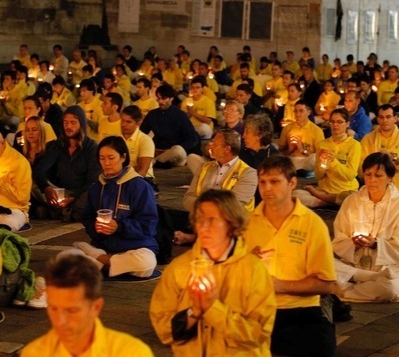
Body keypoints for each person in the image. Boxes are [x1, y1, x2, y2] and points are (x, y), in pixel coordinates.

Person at [150, 189, 276, 355]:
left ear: (231, 223)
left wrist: (212, 308)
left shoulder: (253, 270)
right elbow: (164, 330)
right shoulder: (179, 268)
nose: (204, 227)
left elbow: (257, 334)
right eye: (200, 220)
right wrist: (193, 312)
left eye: (212, 220)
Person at [245, 156, 337, 357]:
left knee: (319, 345)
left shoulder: (312, 225)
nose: (267, 188)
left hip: (300, 311)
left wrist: (280, 285)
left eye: (275, 182)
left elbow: (327, 284)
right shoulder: (248, 224)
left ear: (292, 183)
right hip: (257, 311)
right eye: (263, 182)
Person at [20, 254, 154, 356]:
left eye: (72, 310)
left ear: (96, 307)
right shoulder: (34, 352)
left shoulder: (131, 352)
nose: (60, 321)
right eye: (53, 308)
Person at [332, 152, 399, 302]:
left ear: (390, 178)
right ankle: (365, 279)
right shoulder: (352, 201)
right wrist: (353, 243)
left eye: (378, 175)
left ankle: (343, 290)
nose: (371, 180)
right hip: (352, 265)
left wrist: (376, 244)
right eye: (368, 174)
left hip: (388, 270)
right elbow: (338, 241)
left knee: (391, 289)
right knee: (319, 266)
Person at [73, 136, 158, 277]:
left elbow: (148, 225)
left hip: (135, 247)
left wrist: (119, 227)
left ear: (123, 157)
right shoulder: (97, 187)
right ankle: (111, 263)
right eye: (102, 158)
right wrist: (96, 228)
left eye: (111, 158)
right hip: (103, 246)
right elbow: (87, 217)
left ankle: (99, 259)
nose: (106, 163)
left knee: (146, 264)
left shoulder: (140, 186)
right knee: (66, 259)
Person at [33, 105, 100, 221]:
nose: (68, 126)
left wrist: (73, 196)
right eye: (66, 122)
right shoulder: (59, 145)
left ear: (82, 125)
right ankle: (66, 212)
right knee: (32, 186)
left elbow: (93, 182)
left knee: (91, 195)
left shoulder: (91, 147)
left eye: (73, 123)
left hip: (81, 193)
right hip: (62, 192)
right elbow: (40, 169)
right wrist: (46, 187)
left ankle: (60, 211)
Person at [296, 108, 362, 207]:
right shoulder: (323, 144)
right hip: (325, 189)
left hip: (345, 191)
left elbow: (350, 175)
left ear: (347, 124)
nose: (335, 125)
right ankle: (326, 201)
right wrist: (324, 165)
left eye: (339, 122)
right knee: (296, 195)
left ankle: (322, 200)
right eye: (332, 122)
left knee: (349, 198)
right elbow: (318, 176)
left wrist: (333, 162)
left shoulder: (354, 145)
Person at [140, 84, 199, 167]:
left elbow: (193, 139)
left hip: (174, 153)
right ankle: (157, 162)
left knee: (177, 150)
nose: (160, 102)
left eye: (163, 99)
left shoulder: (180, 115)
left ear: (171, 98)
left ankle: (154, 163)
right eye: (158, 99)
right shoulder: (152, 114)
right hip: (157, 151)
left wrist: (174, 149)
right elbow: (141, 134)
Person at [360, 104, 399, 174]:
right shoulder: (368, 139)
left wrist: (392, 157)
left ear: (395, 119)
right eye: (381, 117)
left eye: (388, 117)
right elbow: (361, 164)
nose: (384, 120)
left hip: (397, 181)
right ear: (377, 119)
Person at [278, 100, 324, 173]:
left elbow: (320, 154)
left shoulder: (316, 130)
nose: (297, 114)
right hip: (291, 160)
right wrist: (290, 148)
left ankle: (298, 171)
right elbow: (281, 151)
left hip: (307, 160)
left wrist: (302, 150)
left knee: (315, 158)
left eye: (301, 111)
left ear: (308, 112)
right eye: (295, 111)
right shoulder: (287, 128)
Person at [0, 125, 31, 231]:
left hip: (14, 209)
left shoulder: (19, 162)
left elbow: (22, 198)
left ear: (2, 143)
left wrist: (2, 184)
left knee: (7, 223)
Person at [181, 76, 217, 140]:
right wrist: (189, 112)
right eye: (193, 88)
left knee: (204, 128)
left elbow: (208, 121)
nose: (195, 90)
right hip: (191, 128)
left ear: (202, 89)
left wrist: (193, 112)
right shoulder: (186, 101)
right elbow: (182, 120)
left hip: (203, 129)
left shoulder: (208, 101)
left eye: (197, 87)